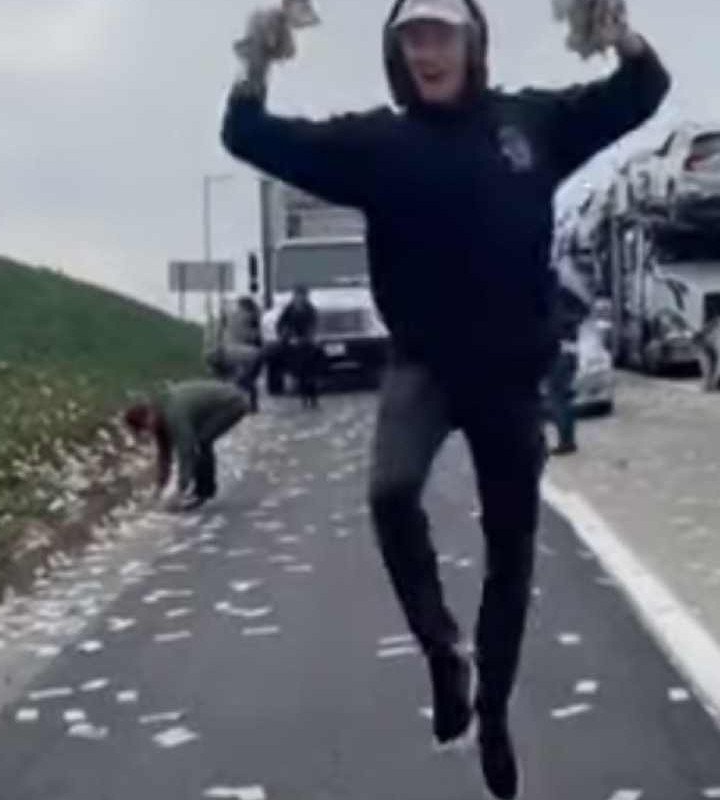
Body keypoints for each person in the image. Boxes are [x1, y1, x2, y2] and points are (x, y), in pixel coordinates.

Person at [222, 2, 668, 796]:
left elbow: (642, 92)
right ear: (397, 53)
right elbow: (248, 136)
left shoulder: (532, 125)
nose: (427, 52)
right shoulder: (376, 145)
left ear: (472, 44)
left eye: (440, 36)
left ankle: (492, 712)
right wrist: (255, 64)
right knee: (390, 491)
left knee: (511, 548)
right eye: (412, 39)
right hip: (423, 366)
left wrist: (620, 38)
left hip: (509, 374)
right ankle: (442, 651)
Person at [123, 380, 250, 512]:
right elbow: (164, 455)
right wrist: (158, 489)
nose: (149, 432)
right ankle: (199, 491)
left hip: (233, 403)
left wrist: (180, 490)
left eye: (147, 427)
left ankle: (203, 492)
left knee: (201, 443)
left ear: (150, 415)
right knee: (199, 441)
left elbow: (187, 451)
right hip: (214, 405)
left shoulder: (174, 415)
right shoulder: (160, 414)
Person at [546, 257, 593, 455]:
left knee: (558, 398)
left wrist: (560, 326)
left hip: (560, 353)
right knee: (563, 398)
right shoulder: (568, 295)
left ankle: (566, 442)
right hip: (568, 351)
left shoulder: (552, 297)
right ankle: (568, 440)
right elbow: (584, 310)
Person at [275, 284, 321, 408]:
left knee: (311, 373)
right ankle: (304, 398)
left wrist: (310, 337)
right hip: (293, 343)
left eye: (303, 295)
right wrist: (286, 335)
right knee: (300, 372)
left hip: (307, 343)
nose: (300, 298)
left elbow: (313, 325)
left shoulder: (310, 309)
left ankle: (313, 398)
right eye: (298, 295)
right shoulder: (289, 309)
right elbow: (281, 324)